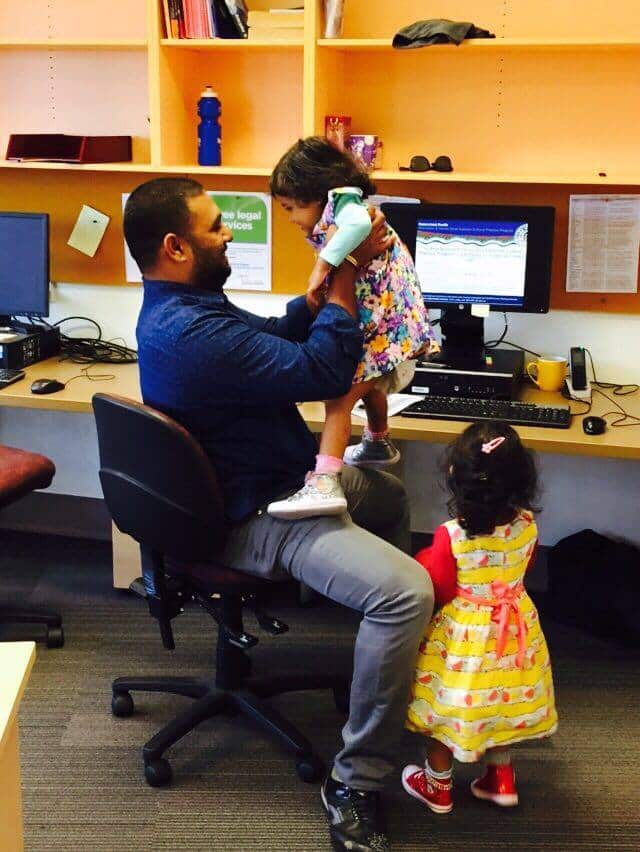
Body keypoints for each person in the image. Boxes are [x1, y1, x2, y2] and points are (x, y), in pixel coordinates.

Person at [124, 177, 434, 852]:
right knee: (407, 593)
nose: (229, 232)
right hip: (260, 516)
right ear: (175, 247)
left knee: (386, 494)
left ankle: (386, 672)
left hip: (288, 479)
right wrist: (347, 271)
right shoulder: (189, 333)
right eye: (214, 227)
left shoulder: (187, 308)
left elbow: (269, 336)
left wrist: (310, 300)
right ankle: (355, 781)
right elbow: (323, 371)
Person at [267, 137, 438, 520]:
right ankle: (377, 441)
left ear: (317, 191)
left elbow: (359, 225)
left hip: (386, 322)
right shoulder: (341, 207)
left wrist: (321, 267)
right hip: (390, 322)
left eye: (292, 207)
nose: (292, 218)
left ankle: (325, 482)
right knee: (371, 383)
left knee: (339, 397)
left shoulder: (345, 204)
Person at [401, 421, 558, 814]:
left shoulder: (451, 536)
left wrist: (418, 562)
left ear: (455, 477)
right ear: (522, 479)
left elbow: (438, 585)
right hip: (514, 633)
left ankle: (437, 786)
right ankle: (499, 779)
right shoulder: (528, 526)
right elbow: (523, 568)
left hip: (465, 640)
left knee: (445, 710)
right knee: (500, 700)